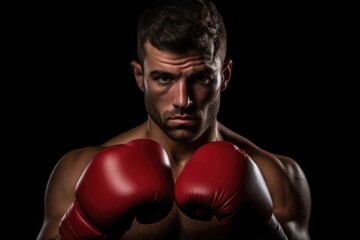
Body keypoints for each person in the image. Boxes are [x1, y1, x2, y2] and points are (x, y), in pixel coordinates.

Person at [36, 0, 312, 239]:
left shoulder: (275, 175)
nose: (183, 100)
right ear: (139, 76)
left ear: (224, 76)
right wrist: (81, 228)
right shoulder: (80, 170)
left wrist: (265, 230)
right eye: (164, 78)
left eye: (201, 78)